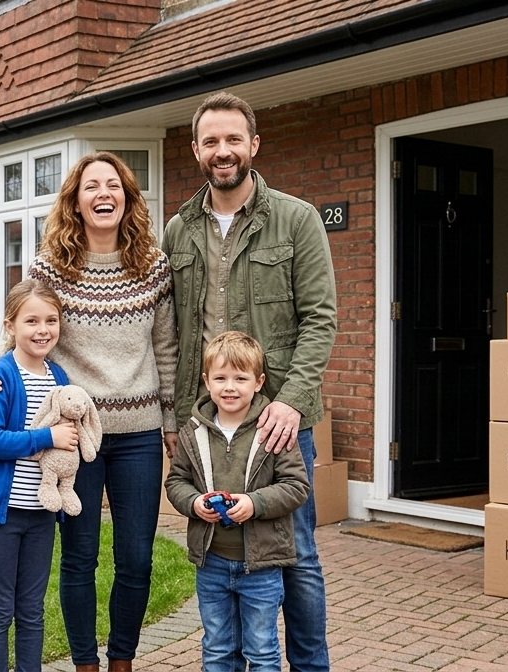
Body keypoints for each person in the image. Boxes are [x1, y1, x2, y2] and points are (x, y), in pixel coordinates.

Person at [0, 151, 178, 672]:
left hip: (138, 434)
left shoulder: (153, 267)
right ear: (75, 202)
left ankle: (122, 660)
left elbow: (168, 349)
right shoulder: (50, 266)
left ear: (128, 198)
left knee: (136, 558)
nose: (103, 194)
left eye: (114, 185)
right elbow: (25, 325)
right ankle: (84, 662)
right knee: (80, 558)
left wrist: (170, 421)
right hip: (71, 436)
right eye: (91, 187)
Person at [161, 91, 337, 672]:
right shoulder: (178, 230)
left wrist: (288, 402)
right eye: (210, 141)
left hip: (280, 422)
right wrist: (174, 419)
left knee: (298, 554)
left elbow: (321, 319)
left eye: (233, 139)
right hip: (206, 423)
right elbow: (165, 327)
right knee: (217, 540)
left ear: (254, 145)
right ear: (195, 150)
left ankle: (310, 666)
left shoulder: (296, 218)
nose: (223, 151)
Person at [165, 331, 309, 671]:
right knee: (217, 649)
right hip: (211, 563)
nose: (230, 387)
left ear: (258, 382)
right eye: (220, 378)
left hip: (261, 566)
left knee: (261, 651)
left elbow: (296, 485)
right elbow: (176, 481)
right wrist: (195, 503)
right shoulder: (193, 431)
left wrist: (254, 503)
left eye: (240, 378)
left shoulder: (273, 430)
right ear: (206, 381)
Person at [0, 279, 79, 672]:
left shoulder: (60, 378)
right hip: (0, 513)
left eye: (51, 320)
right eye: (31, 320)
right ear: (10, 325)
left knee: (32, 609)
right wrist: (47, 436)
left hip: (41, 512)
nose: (43, 329)